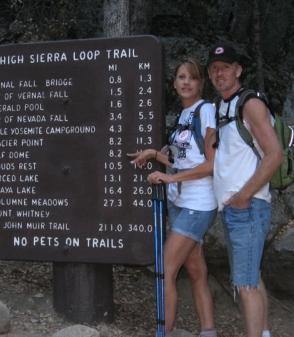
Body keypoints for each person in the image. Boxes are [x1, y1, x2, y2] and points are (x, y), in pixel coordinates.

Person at [128, 58, 217, 337]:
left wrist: (169, 178)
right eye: (181, 77)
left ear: (201, 83)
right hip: (180, 203)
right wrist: (155, 155)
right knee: (196, 271)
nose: (186, 82)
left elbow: (211, 165)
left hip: (198, 204)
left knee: (165, 269)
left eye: (192, 78)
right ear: (175, 82)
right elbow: (182, 158)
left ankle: (161, 334)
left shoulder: (208, 111)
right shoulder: (183, 115)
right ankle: (208, 331)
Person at [206, 44, 283, 337]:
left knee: (245, 284)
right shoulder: (222, 106)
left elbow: (273, 155)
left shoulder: (249, 104)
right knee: (252, 277)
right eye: (214, 68)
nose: (219, 73)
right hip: (236, 208)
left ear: (238, 70)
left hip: (247, 207)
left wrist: (243, 196)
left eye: (225, 67)